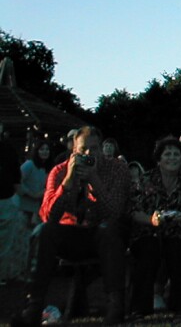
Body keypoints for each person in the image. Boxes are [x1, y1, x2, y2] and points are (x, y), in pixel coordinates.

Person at [12, 126, 130, 326]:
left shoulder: (117, 168)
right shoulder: (59, 171)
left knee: (109, 231)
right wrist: (68, 182)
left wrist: (94, 180)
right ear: (74, 149)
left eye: (94, 149)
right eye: (83, 149)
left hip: (100, 234)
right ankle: (33, 307)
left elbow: (115, 211)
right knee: (43, 231)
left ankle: (115, 306)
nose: (88, 154)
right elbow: (47, 215)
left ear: (101, 149)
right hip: (69, 234)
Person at [129, 137, 181, 319]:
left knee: (177, 249)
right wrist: (151, 219)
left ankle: (180, 308)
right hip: (149, 230)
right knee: (148, 249)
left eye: (176, 154)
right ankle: (139, 309)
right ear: (159, 158)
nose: (172, 158)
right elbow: (132, 210)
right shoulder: (145, 179)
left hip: (179, 230)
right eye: (167, 154)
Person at [1, 122, 28, 286]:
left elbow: (15, 175)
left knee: (5, 241)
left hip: (5, 198)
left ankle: (2, 273)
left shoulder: (8, 149)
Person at [19, 140, 53, 225]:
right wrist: (31, 194)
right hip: (22, 206)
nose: (45, 152)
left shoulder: (48, 168)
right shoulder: (29, 165)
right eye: (42, 149)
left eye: (47, 149)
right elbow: (18, 181)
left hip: (36, 209)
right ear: (36, 151)